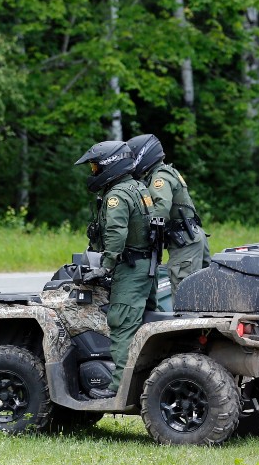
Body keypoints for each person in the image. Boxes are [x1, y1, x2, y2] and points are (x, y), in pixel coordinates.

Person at [74, 140, 158, 399]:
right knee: (144, 323)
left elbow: (116, 232)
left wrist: (106, 266)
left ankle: (118, 390)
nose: (93, 173)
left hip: (131, 269)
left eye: (95, 167)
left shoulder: (117, 196)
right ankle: (142, 382)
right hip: (148, 266)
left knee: (122, 325)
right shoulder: (138, 188)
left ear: (110, 165)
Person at [126, 134, 210, 295]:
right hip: (193, 236)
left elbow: (161, 209)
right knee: (204, 292)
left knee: (184, 295)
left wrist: (141, 231)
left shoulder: (159, 178)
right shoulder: (168, 171)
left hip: (184, 242)